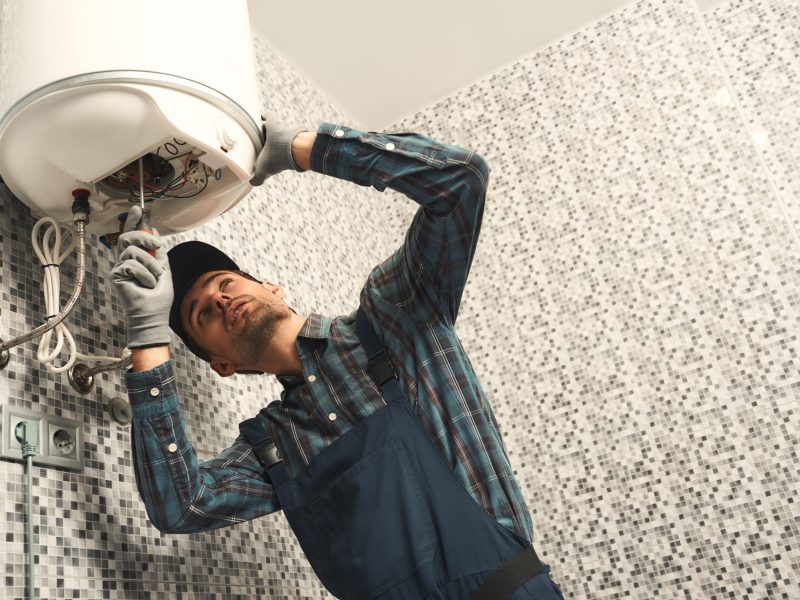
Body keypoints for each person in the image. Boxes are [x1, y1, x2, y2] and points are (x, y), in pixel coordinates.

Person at [111, 119, 566, 600]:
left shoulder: (396, 316)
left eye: (225, 283)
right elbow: (180, 504)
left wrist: (301, 151)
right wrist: (147, 333)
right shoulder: (274, 445)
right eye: (203, 314)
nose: (221, 301)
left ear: (270, 287)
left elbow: (461, 181)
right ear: (222, 364)